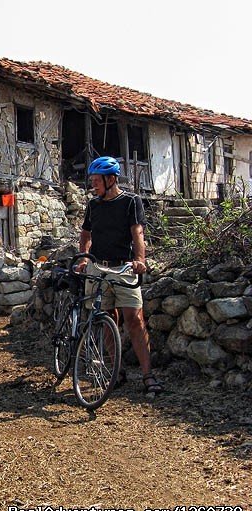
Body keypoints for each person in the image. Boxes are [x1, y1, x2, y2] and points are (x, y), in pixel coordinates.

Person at [79, 156, 163, 394]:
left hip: (124, 267)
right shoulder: (93, 205)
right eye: (92, 180)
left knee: (134, 319)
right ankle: (117, 370)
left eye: (97, 181)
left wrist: (140, 260)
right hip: (98, 267)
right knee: (106, 320)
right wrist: (84, 257)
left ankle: (148, 375)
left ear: (111, 179)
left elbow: (137, 233)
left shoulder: (130, 201)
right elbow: (86, 235)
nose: (93, 185)